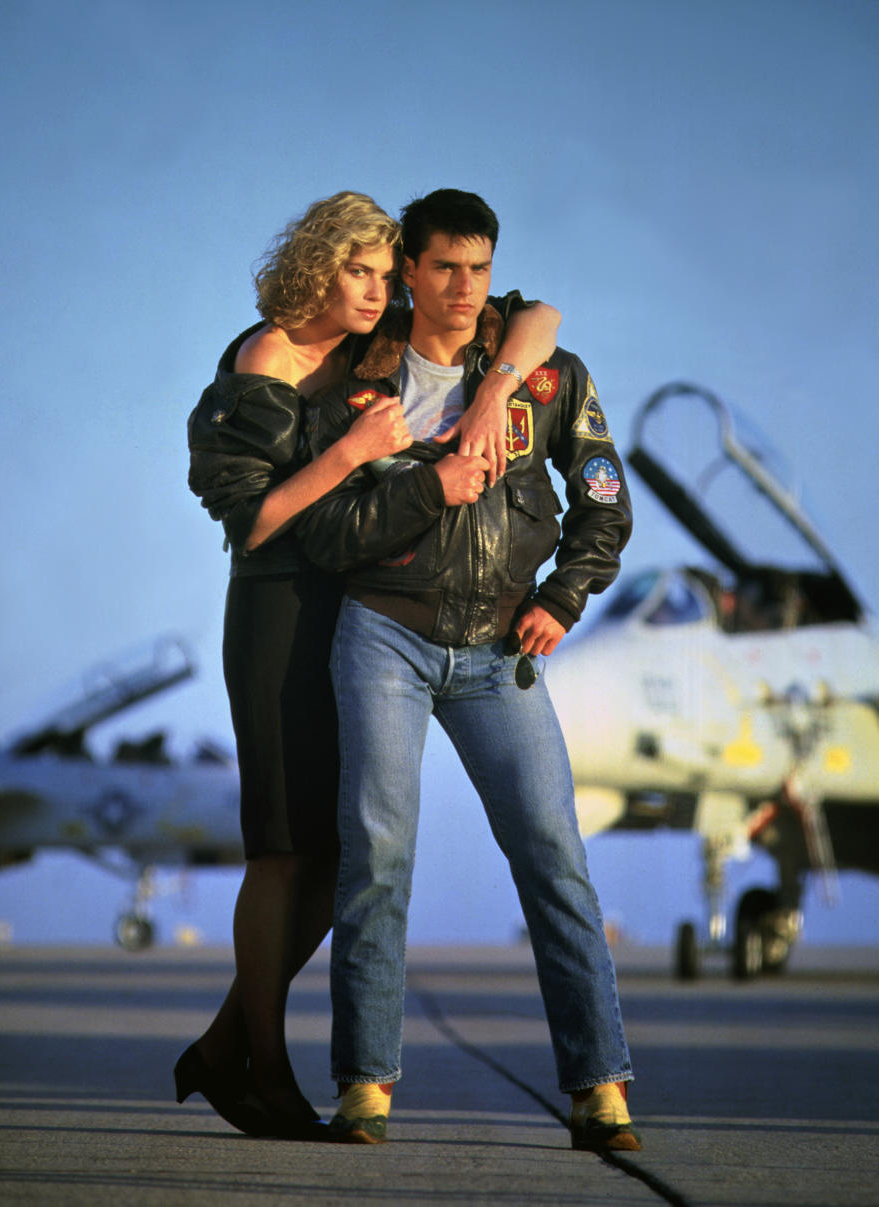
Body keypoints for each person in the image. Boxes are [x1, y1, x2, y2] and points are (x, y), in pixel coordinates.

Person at [181, 191, 563, 1140]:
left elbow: (543, 317)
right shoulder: (266, 355)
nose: (382, 292)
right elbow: (254, 521)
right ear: (318, 264)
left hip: (349, 603)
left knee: (335, 848)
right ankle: (260, 1065)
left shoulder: (372, 339)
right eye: (362, 272)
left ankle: (229, 1042)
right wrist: (353, 448)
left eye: (390, 276)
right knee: (281, 845)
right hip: (278, 608)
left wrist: (492, 389)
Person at [298, 189, 640, 1151]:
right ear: (409, 269)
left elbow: (606, 501)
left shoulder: (545, 375)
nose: (462, 287)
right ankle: (365, 1085)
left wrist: (563, 598)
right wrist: (429, 488)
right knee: (379, 855)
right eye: (444, 267)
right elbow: (327, 532)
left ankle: (600, 1088)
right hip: (383, 634)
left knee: (553, 856)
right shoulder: (352, 381)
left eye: (479, 269)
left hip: (501, 650)